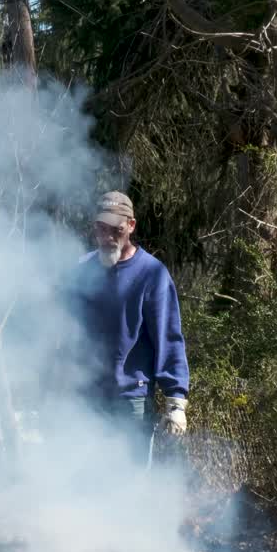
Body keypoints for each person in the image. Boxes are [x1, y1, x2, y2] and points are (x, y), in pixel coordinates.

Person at [67, 191, 189, 466]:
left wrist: (176, 399)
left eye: (116, 229)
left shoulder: (151, 274)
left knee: (128, 487)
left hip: (131, 401)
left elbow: (168, 337)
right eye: (102, 228)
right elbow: (62, 334)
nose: (108, 236)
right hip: (83, 400)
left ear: (131, 226)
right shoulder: (80, 271)